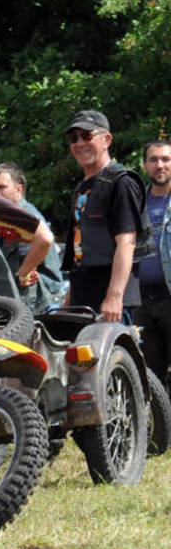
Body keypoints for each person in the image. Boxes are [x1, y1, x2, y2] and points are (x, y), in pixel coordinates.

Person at [60, 110, 147, 323]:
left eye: (87, 136)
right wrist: (67, 304)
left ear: (106, 140)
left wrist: (114, 297)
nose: (79, 143)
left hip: (110, 303)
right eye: (74, 138)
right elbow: (81, 254)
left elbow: (127, 243)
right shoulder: (82, 188)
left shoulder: (121, 182)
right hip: (82, 298)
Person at [0, 163, 64, 312]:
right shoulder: (8, 217)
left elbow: (45, 239)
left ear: (19, 189)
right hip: (23, 296)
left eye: (2, 187)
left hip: (38, 298)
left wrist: (23, 273)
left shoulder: (25, 216)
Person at [133, 140, 171, 382]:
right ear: (145, 165)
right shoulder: (136, 204)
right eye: (153, 160)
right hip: (141, 301)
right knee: (149, 377)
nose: (160, 165)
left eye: (166, 159)